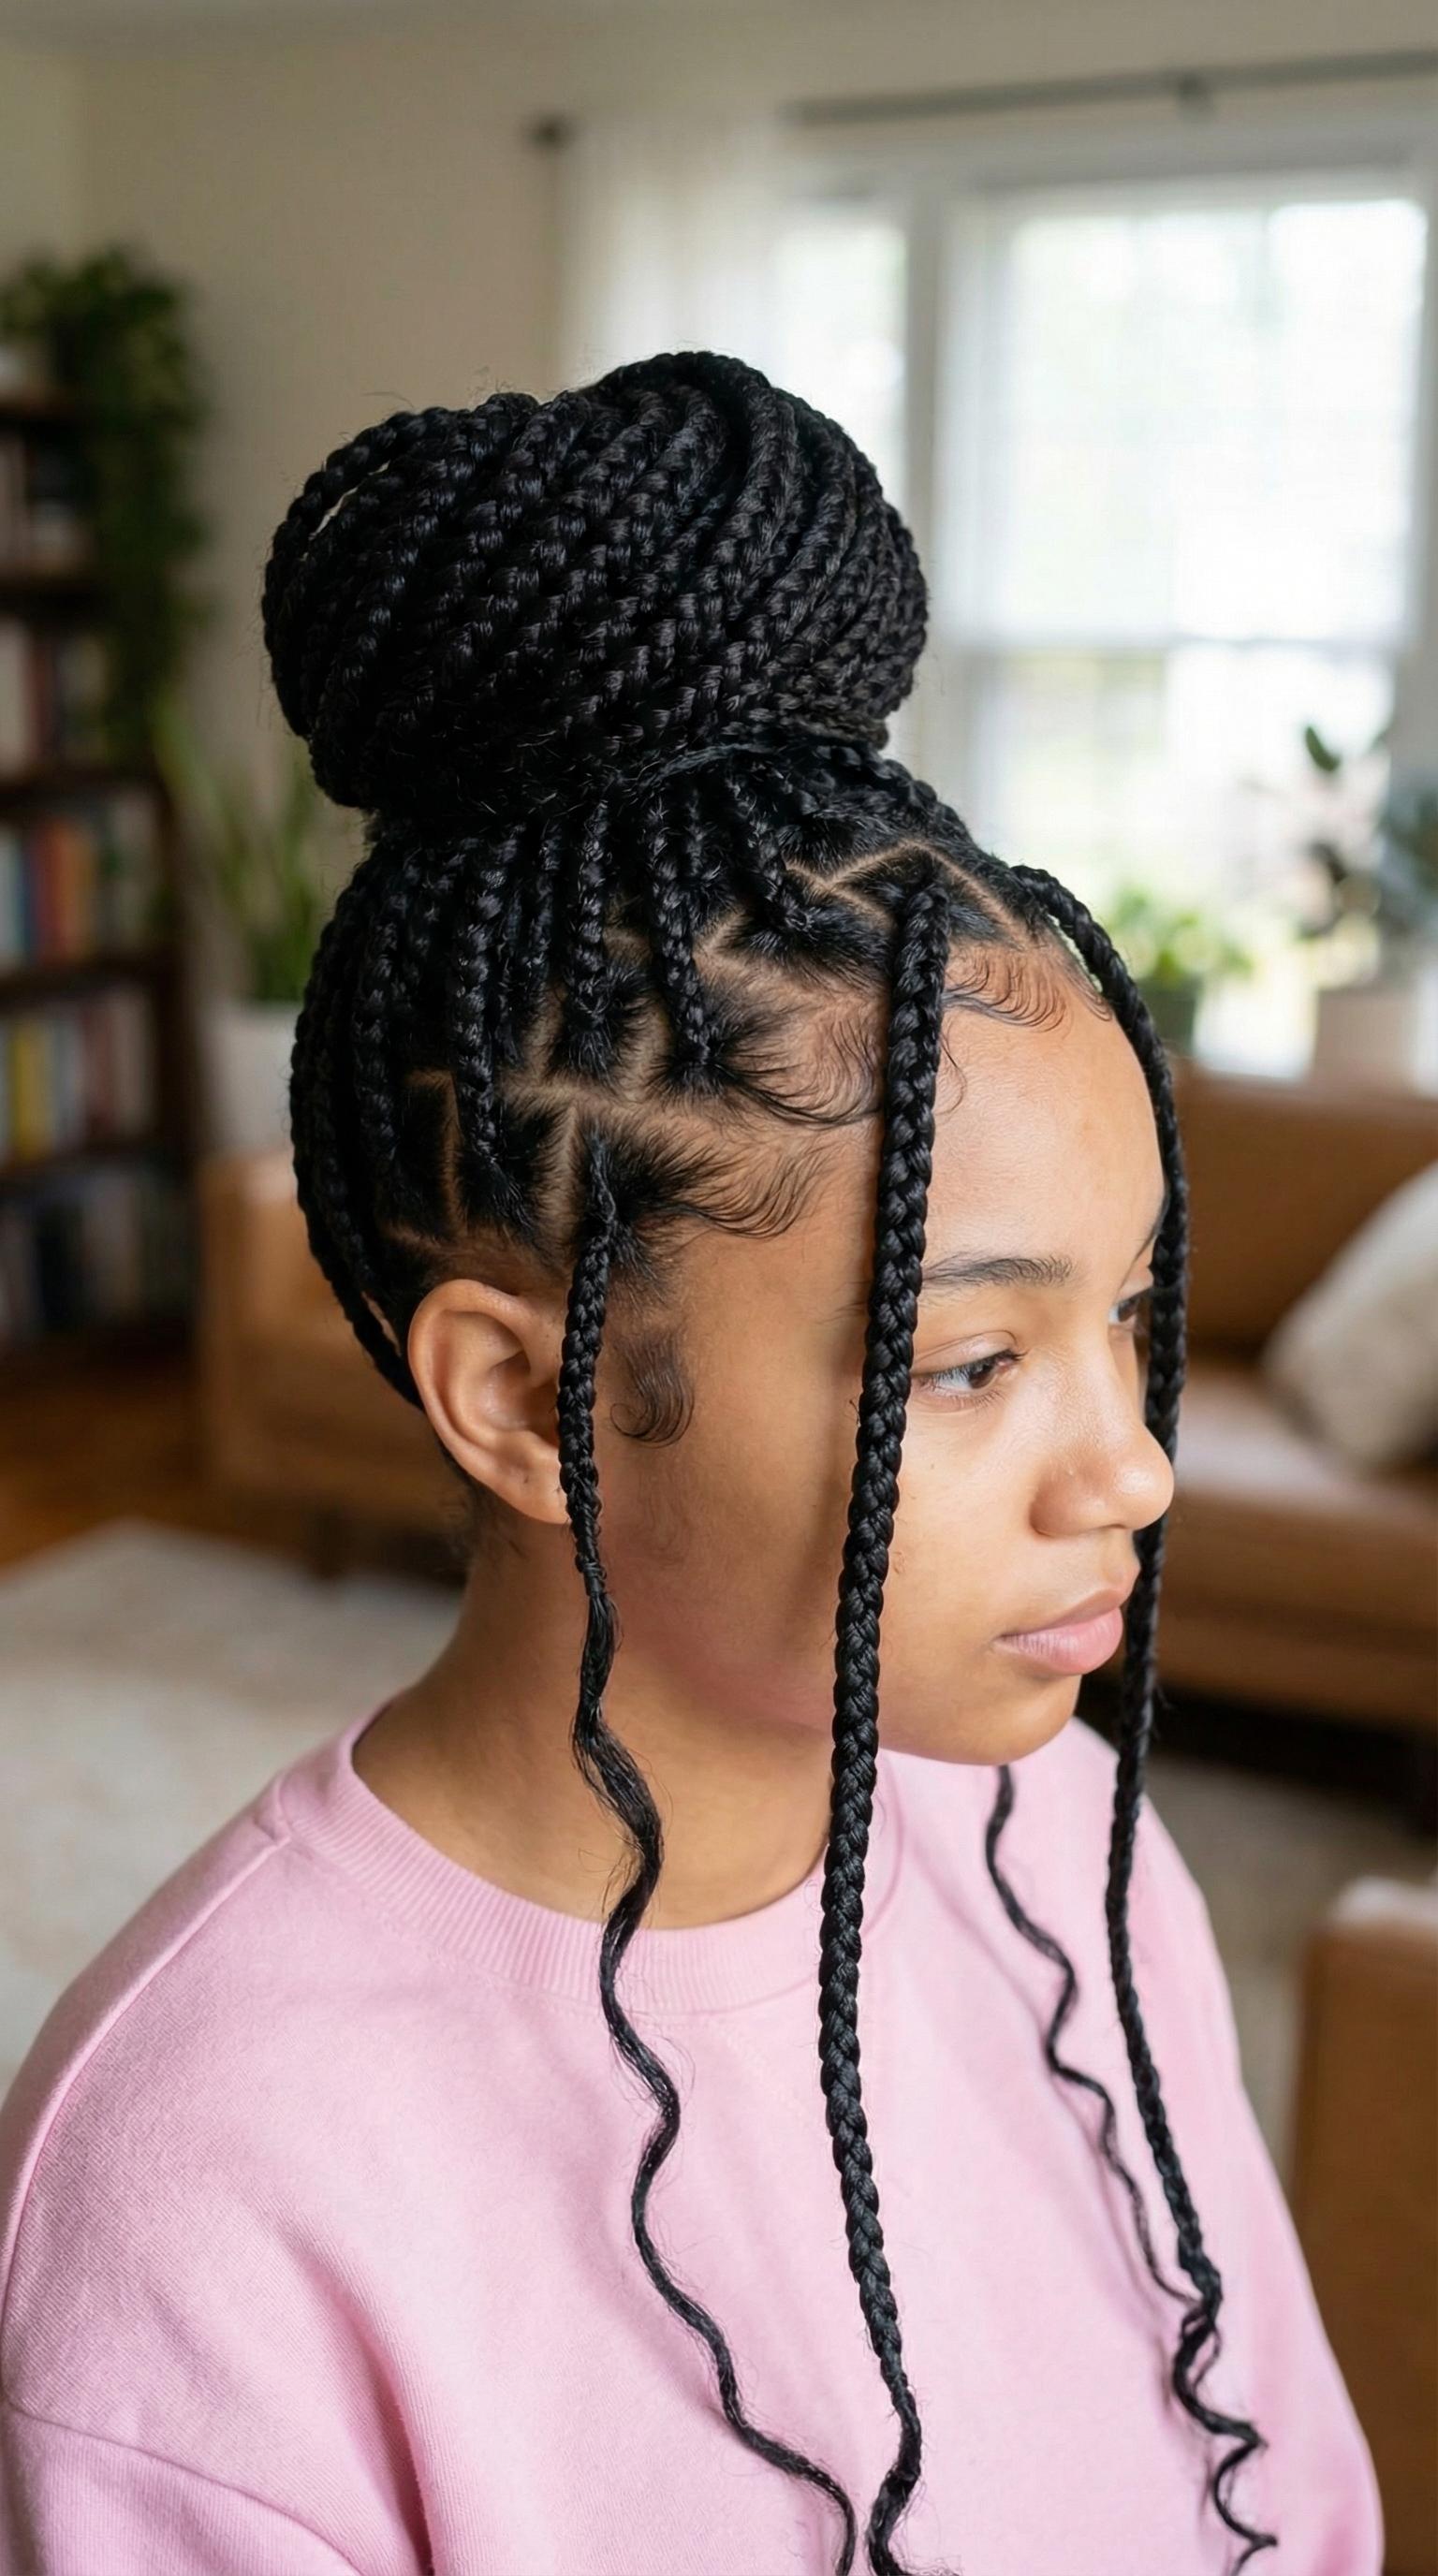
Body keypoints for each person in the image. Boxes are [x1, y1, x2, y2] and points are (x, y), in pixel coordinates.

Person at [0, 355, 1376, 2576]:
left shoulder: (1071, 1851)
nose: (1129, 1467)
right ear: (529, 1402)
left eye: (1129, 1322)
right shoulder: (204, 2184)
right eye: (970, 1363)